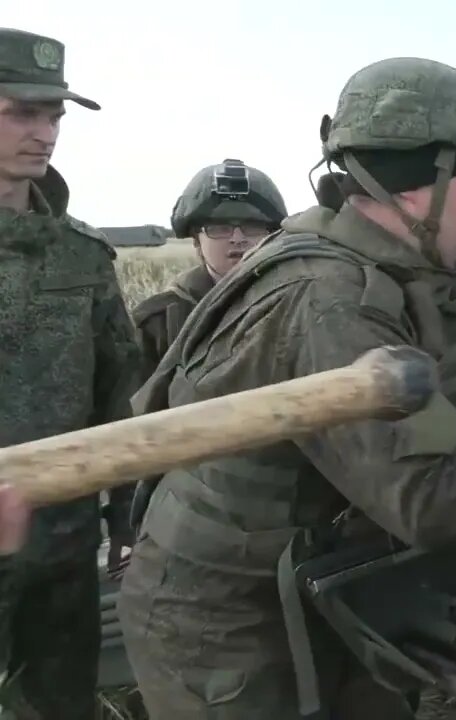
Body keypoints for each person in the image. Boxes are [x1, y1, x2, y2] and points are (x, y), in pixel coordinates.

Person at [117, 56, 456, 718]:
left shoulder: (397, 277)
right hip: (222, 636)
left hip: (311, 595)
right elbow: (429, 499)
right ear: (414, 188)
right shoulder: (331, 303)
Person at [0, 27, 141, 719]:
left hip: (63, 545)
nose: (44, 131)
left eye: (53, 115)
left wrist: (125, 514)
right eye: (22, 112)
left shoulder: (82, 255)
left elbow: (119, 396)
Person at [126, 159, 288, 534]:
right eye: (218, 227)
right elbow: (126, 431)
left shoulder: (294, 305)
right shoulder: (160, 321)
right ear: (196, 240)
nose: (237, 238)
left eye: (252, 226)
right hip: (184, 514)